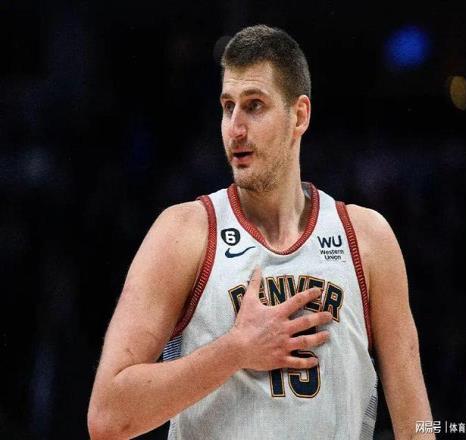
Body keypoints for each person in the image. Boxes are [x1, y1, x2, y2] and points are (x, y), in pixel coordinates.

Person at [88, 25, 434, 439]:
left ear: (299, 115)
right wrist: (235, 350)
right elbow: (107, 416)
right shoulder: (184, 233)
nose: (235, 128)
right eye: (227, 107)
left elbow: (418, 426)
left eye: (254, 106)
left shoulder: (368, 239)